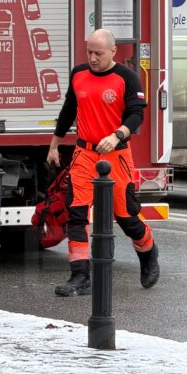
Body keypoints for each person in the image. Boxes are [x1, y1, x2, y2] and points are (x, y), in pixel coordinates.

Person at [46, 28, 159, 296]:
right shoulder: (79, 74)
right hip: (84, 154)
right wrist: (54, 145)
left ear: (113, 51)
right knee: (77, 214)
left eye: (98, 53)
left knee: (126, 216)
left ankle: (148, 253)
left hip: (116, 154)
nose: (93, 58)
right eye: (89, 52)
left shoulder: (127, 77)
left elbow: (136, 115)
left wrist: (117, 134)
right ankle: (80, 276)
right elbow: (68, 110)